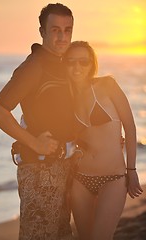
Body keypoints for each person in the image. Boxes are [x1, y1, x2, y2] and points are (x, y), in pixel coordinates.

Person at [0, 3, 76, 240]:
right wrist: (34, 143)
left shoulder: (61, 65)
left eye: (67, 30)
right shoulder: (33, 66)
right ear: (42, 32)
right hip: (39, 170)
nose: (62, 37)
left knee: (60, 234)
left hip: (61, 167)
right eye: (56, 30)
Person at [64, 41, 143, 240]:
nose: (77, 67)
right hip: (80, 179)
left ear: (92, 64)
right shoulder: (66, 97)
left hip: (113, 179)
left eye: (83, 62)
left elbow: (130, 127)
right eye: (71, 62)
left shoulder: (107, 85)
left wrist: (131, 170)